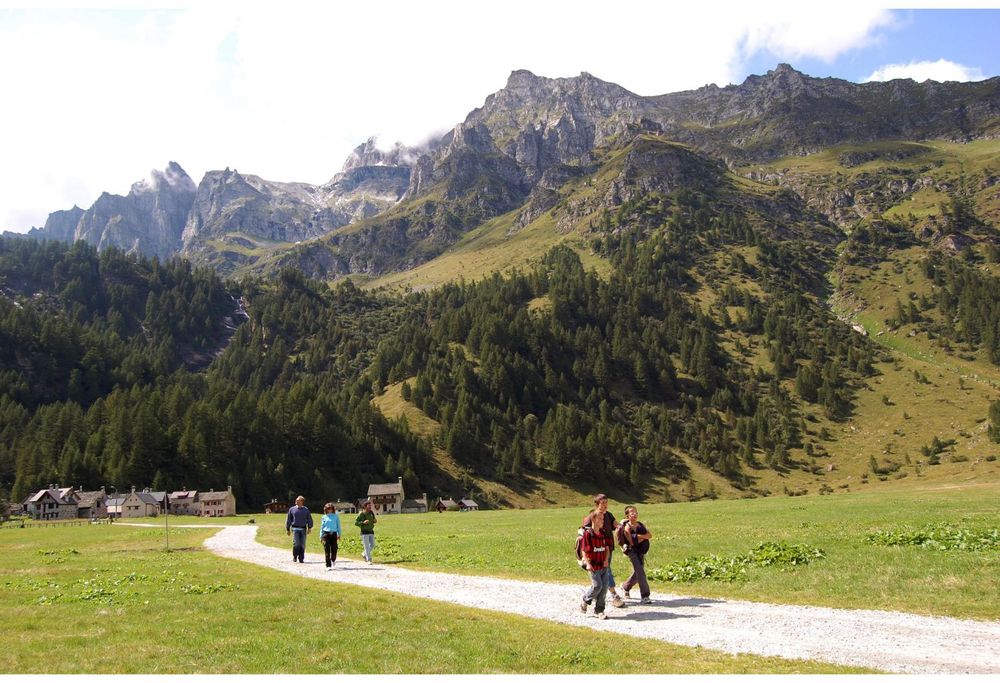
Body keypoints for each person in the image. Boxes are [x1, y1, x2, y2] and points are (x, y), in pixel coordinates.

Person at [582, 493, 625, 608]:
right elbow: (583, 531)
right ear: (597, 504)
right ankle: (613, 595)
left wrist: (623, 526)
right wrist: (585, 555)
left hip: (607, 548)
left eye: (606, 502)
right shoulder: (592, 516)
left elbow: (616, 525)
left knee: (605, 572)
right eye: (603, 503)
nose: (605, 505)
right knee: (607, 571)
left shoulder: (609, 515)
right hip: (595, 551)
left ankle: (598, 595)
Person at [579, 509, 613, 619]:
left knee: (604, 589)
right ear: (593, 519)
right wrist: (587, 563)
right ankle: (586, 599)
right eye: (600, 519)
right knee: (597, 586)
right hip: (593, 565)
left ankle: (599, 610)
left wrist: (606, 560)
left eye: (603, 519)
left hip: (603, 565)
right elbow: (584, 550)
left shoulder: (603, 533)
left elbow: (607, 548)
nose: (602, 521)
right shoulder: (588, 534)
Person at [618, 505, 653, 604]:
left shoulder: (640, 524)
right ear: (627, 516)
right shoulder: (627, 528)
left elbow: (649, 535)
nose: (634, 514)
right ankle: (645, 595)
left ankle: (625, 587)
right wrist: (642, 537)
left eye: (636, 512)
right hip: (632, 551)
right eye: (632, 512)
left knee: (638, 573)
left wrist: (638, 536)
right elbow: (632, 542)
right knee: (641, 572)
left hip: (641, 551)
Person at [285, 495, 313, 563]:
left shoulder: (306, 510)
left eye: (298, 500)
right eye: (296, 500)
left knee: (302, 544)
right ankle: (295, 556)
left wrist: (309, 527)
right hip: (295, 529)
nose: (296, 501)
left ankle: (301, 558)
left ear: (302, 501)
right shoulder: (292, 509)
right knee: (296, 543)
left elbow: (309, 519)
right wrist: (288, 529)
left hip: (303, 529)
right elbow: (288, 519)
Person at [320, 502, 341, 570]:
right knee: (327, 550)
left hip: (334, 534)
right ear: (326, 509)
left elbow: (338, 526)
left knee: (334, 549)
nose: (329, 510)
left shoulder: (336, 516)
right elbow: (322, 527)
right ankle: (328, 565)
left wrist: (339, 534)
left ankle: (333, 559)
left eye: (331, 509)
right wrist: (321, 536)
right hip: (326, 534)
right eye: (328, 509)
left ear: (333, 509)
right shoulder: (324, 517)